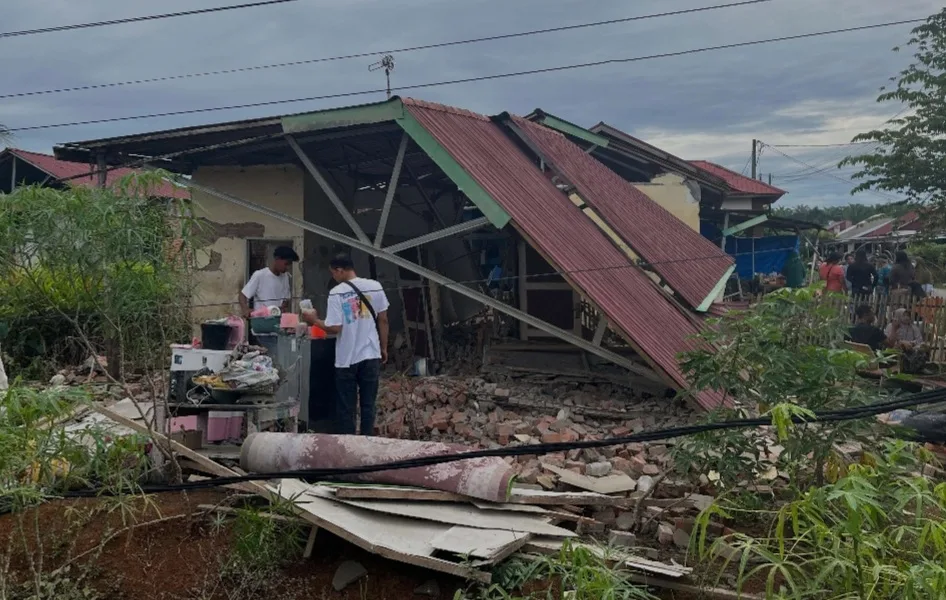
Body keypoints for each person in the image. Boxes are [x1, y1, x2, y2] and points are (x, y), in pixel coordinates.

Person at [302, 254, 390, 436]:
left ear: (340, 270)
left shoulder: (337, 292)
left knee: (346, 408)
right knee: (368, 405)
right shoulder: (375, 286)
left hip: (347, 359)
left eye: (333, 273)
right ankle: (367, 443)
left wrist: (314, 320)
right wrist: (383, 347)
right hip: (371, 355)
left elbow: (335, 327)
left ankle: (348, 445)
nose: (333, 276)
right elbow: (383, 320)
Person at [239, 245, 299, 317]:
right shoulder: (260, 275)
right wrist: (245, 309)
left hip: (277, 320)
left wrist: (283, 307)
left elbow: (286, 299)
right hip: (261, 321)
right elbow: (243, 295)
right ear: (277, 259)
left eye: (289, 265)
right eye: (286, 264)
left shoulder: (285, 277)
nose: (288, 267)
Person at [885, 307, 929, 373]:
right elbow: (887, 339)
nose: (906, 317)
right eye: (904, 315)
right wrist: (901, 343)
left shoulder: (914, 328)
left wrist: (912, 343)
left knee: (923, 348)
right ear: (898, 316)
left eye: (908, 315)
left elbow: (919, 340)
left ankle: (917, 369)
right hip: (896, 348)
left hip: (911, 349)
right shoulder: (891, 326)